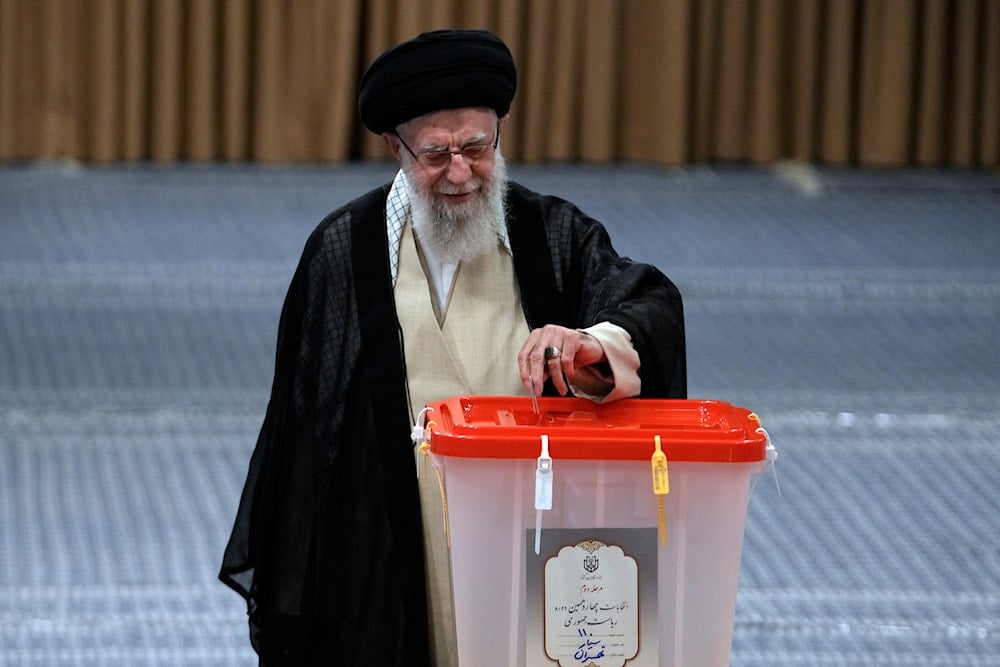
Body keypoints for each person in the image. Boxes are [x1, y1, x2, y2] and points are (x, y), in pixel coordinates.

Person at [220, 28, 686, 666]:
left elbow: (648, 304)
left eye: (476, 147)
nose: (460, 172)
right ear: (396, 148)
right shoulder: (343, 250)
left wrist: (588, 346)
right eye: (436, 154)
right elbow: (305, 435)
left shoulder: (551, 234)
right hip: (396, 542)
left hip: (535, 527)